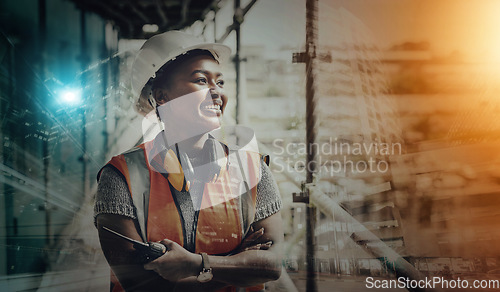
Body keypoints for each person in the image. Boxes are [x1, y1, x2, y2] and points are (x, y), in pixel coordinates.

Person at [94, 30, 284, 292]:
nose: (216, 92)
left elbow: (271, 266)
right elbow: (141, 284)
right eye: (201, 80)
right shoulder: (121, 176)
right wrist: (237, 264)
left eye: (220, 82)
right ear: (162, 97)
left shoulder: (252, 169)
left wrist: (194, 264)